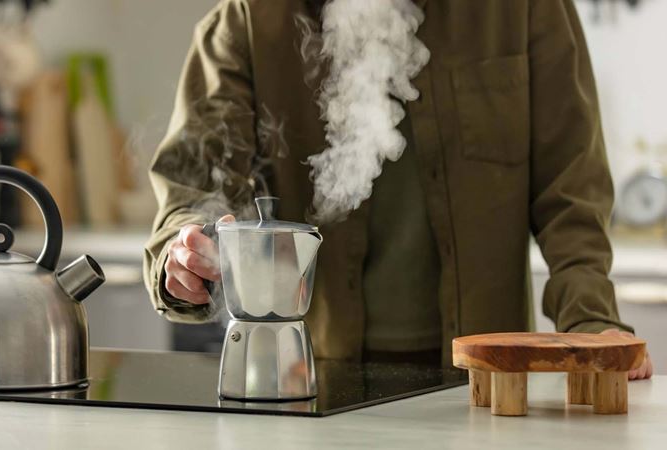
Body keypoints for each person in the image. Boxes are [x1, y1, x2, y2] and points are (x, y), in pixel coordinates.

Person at [144, 0, 653, 379]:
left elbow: (572, 193)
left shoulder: (522, 9)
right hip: (316, 381)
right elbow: (194, 183)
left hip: (488, 381)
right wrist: (187, 250)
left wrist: (591, 323)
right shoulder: (251, 19)